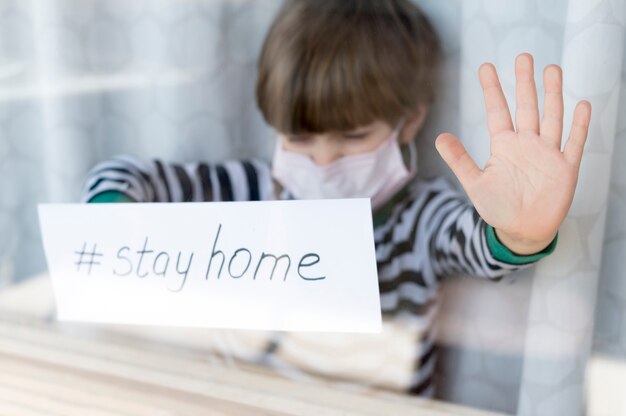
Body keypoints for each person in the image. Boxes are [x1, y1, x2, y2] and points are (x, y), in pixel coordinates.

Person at [81, 0, 591, 398]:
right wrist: (116, 218)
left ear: (409, 119)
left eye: (351, 138)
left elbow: (477, 245)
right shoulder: (249, 192)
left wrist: (520, 232)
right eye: (298, 139)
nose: (322, 160)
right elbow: (129, 176)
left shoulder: (418, 219)